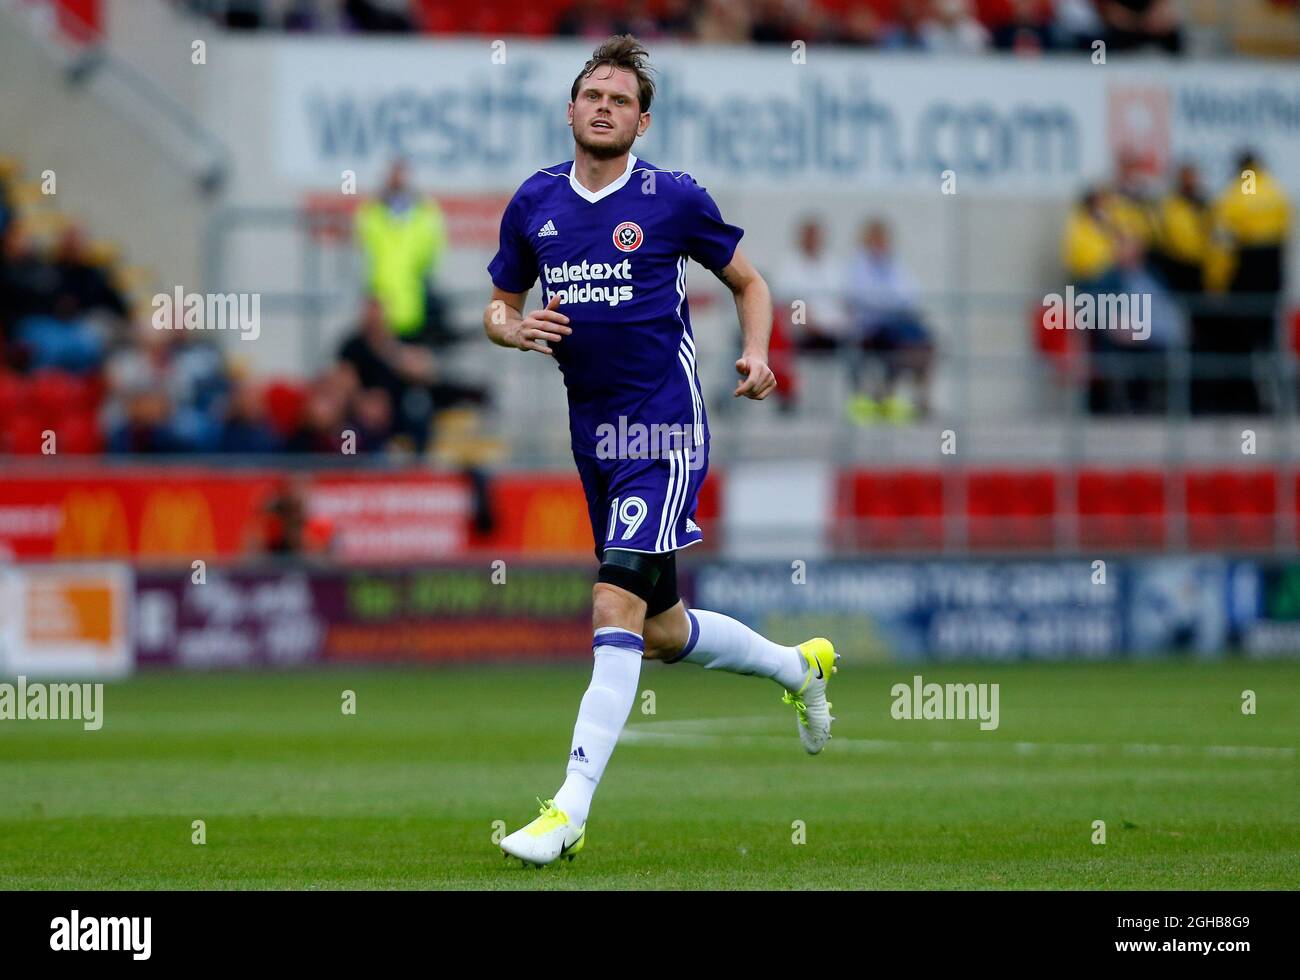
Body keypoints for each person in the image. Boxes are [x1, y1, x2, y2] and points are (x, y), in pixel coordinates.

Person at [482, 35, 838, 868]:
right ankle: (798, 668)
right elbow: (496, 306)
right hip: (594, 439)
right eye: (592, 95)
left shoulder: (673, 199)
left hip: (663, 431)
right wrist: (513, 329)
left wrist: (757, 352)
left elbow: (750, 282)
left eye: (620, 100)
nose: (604, 107)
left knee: (612, 608)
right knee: (661, 630)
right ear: (570, 110)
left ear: (642, 122)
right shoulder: (534, 202)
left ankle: (565, 812)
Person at [843, 218, 935, 422]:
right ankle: (885, 396)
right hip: (871, 328)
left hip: (897, 323)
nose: (880, 244)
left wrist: (891, 303)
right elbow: (863, 297)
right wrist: (891, 303)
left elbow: (911, 294)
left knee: (926, 342)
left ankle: (921, 400)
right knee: (900, 342)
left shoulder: (894, 265)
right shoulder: (858, 266)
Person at [356, 160, 449, 341]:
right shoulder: (371, 213)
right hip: (379, 309)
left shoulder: (425, 214)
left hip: (414, 309)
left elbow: (431, 260)